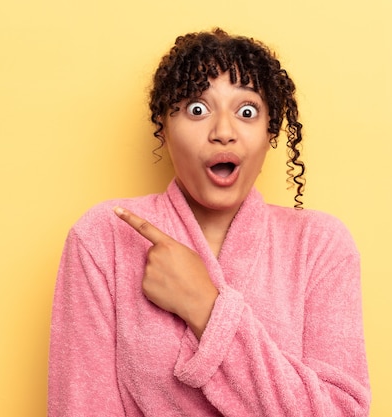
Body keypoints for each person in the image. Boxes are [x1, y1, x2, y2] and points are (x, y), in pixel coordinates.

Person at [48, 28, 370, 416]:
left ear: (270, 133)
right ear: (163, 127)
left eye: (246, 111)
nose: (223, 132)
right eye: (196, 109)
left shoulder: (319, 245)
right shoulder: (105, 237)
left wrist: (205, 307)